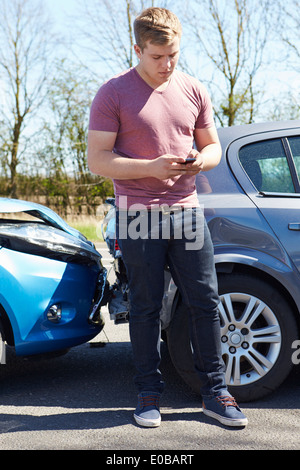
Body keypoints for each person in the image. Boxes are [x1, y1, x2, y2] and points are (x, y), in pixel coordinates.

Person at [88, 7, 248, 428]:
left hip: (187, 214)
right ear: (138, 49)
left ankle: (216, 393)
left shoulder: (194, 88)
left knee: (205, 302)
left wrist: (200, 161)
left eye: (174, 54)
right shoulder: (112, 93)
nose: (168, 64)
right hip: (138, 215)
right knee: (144, 306)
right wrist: (150, 167)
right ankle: (147, 394)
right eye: (158, 57)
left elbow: (213, 147)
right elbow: (98, 160)